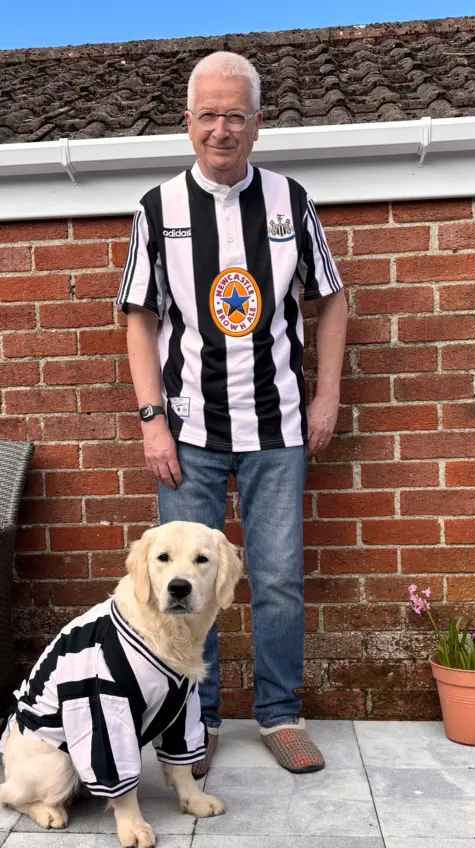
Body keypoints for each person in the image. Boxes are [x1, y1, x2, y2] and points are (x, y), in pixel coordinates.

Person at [116, 51, 348, 776]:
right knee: (185, 583)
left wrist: (327, 393)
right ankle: (198, 713)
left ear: (257, 123)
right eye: (208, 115)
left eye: (235, 115)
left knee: (275, 576)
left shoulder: (289, 200)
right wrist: (152, 418)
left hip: (278, 428)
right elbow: (138, 318)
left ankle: (281, 714)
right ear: (188, 123)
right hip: (187, 435)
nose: (221, 129)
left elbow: (332, 299)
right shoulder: (158, 208)